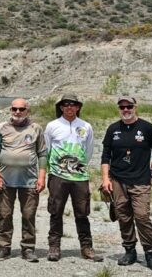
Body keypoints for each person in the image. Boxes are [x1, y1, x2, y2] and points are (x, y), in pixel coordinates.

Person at [101, 96, 152, 272]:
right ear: (118, 109)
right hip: (118, 181)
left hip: (141, 181)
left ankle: (150, 253)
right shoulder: (113, 129)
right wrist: (105, 179)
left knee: (142, 216)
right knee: (123, 216)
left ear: (135, 107)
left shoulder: (146, 128)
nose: (126, 110)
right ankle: (129, 250)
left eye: (129, 106)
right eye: (122, 107)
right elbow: (106, 156)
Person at [44, 94, 102, 262]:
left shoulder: (86, 126)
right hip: (57, 176)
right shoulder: (52, 126)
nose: (69, 107)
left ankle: (86, 247)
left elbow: (89, 150)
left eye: (73, 104)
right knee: (55, 212)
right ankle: (54, 247)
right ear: (61, 107)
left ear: (78, 107)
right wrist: (51, 170)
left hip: (80, 177)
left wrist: (79, 167)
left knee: (82, 213)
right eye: (66, 104)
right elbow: (46, 150)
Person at [0, 98, 47, 262]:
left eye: (21, 109)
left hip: (29, 181)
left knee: (29, 215)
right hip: (4, 181)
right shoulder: (2, 128)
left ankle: (28, 248)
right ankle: (3, 248)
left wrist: (42, 177)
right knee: (5, 215)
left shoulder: (36, 129)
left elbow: (42, 154)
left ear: (27, 111)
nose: (17, 112)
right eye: (14, 109)